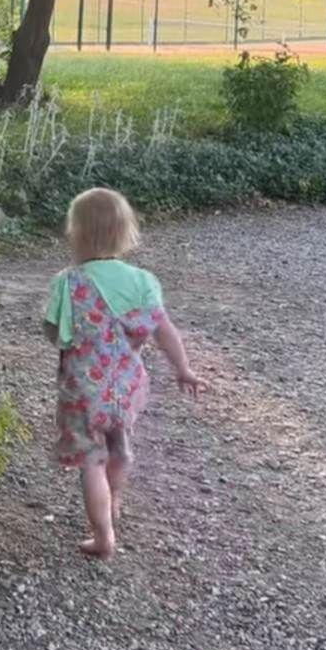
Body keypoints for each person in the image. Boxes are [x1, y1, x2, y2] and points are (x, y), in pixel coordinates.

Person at [43, 187, 200, 561]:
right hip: (127, 388)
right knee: (119, 446)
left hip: (83, 391)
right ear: (124, 232)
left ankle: (103, 537)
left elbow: (55, 334)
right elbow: (165, 331)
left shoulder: (68, 283)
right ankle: (115, 499)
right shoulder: (144, 282)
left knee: (91, 462)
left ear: (76, 233)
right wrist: (184, 369)